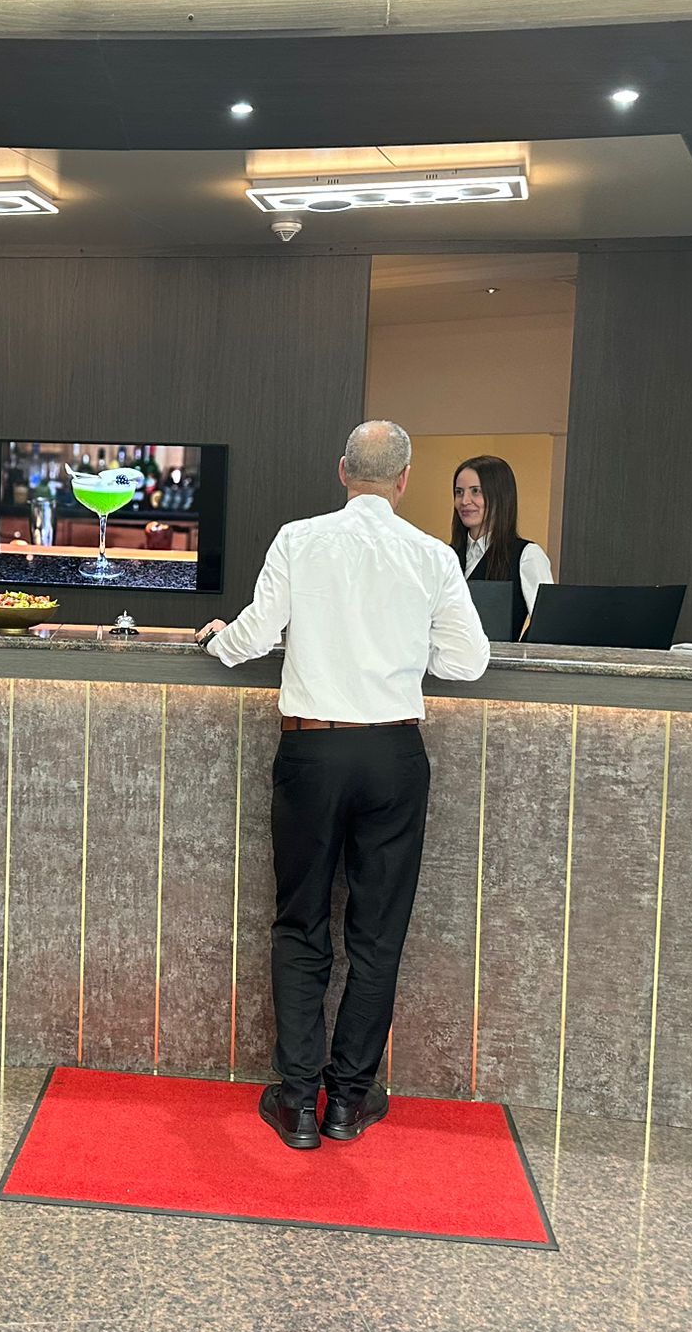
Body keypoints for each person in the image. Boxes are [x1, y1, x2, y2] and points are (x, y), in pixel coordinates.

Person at [197, 421, 489, 1149]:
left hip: (313, 752)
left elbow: (255, 634)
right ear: (405, 480)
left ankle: (298, 1103)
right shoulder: (431, 554)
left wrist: (217, 640)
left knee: (301, 925)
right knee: (377, 935)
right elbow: (469, 660)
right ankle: (348, 1102)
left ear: (342, 472)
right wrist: (400, 647)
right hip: (393, 755)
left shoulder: (299, 539)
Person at [450, 454, 554, 641]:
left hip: (498, 660)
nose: (464, 501)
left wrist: (517, 653)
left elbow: (547, 624)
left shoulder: (526, 555)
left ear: (500, 496)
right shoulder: (444, 555)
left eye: (476, 491)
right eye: (459, 492)